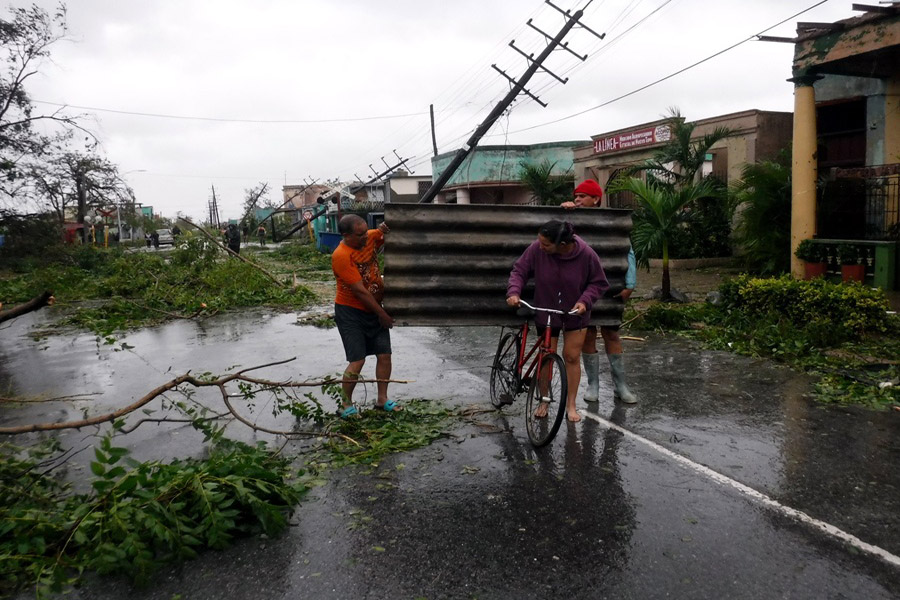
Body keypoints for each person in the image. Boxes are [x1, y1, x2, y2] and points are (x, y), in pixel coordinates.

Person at [507, 220, 609, 423]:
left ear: (562, 245)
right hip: (546, 310)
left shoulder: (587, 254)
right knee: (546, 355)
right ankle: (544, 399)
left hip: (575, 313)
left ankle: (570, 404)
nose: (540, 246)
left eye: (546, 244)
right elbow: (520, 270)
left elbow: (599, 282)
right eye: (540, 242)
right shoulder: (537, 249)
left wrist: (584, 301)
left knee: (571, 357)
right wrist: (514, 291)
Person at [562, 179, 638, 404]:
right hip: (583, 289)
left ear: (596, 199)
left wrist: (630, 284)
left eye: (583, 196)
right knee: (588, 334)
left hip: (611, 287)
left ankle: (620, 386)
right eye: (576, 196)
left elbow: (628, 251)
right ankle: (593, 385)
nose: (578, 200)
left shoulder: (612, 221)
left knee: (612, 334)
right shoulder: (572, 220)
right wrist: (565, 210)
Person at [331, 214, 400, 418]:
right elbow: (360, 292)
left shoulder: (369, 237)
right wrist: (383, 315)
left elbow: (383, 233)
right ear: (346, 235)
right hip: (351, 312)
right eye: (360, 235)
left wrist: (386, 228)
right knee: (357, 360)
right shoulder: (341, 255)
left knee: (384, 355)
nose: (365, 237)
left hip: (375, 308)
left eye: (366, 232)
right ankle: (345, 405)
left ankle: (382, 399)